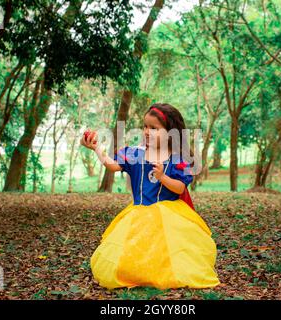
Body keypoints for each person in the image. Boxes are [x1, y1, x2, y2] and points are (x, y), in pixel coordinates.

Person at [81, 103, 220, 289]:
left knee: (167, 248)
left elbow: (179, 188)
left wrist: (162, 177)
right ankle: (135, 273)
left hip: (169, 214)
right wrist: (96, 148)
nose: (147, 132)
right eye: (145, 126)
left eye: (154, 128)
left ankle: (162, 273)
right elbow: (112, 165)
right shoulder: (135, 153)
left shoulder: (178, 159)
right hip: (138, 212)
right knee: (134, 247)